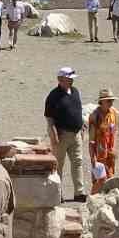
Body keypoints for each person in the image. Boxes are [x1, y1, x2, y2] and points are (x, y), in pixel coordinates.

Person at [44, 67, 86, 201]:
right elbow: (49, 118)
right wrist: (53, 134)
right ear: (60, 79)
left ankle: (79, 192)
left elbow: (78, 109)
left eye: (72, 79)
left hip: (76, 134)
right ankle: (58, 194)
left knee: (78, 162)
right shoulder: (53, 96)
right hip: (61, 135)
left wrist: (82, 124)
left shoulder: (75, 91)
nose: (71, 81)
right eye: (69, 79)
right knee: (58, 165)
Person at [88, 90, 119, 187]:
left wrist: (114, 148)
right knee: (99, 180)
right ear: (101, 102)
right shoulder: (95, 116)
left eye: (112, 101)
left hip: (110, 153)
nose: (111, 103)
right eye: (108, 101)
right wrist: (92, 157)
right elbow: (91, 139)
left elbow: (115, 131)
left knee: (110, 178)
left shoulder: (114, 113)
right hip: (99, 154)